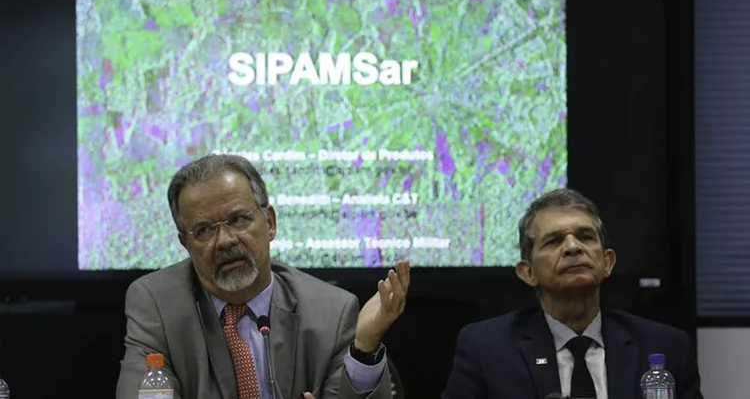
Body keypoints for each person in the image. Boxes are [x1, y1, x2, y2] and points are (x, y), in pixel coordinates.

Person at [115, 154, 410, 399]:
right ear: (185, 243)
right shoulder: (156, 304)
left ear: (269, 223)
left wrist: (364, 348)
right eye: (204, 230)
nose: (226, 241)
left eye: (238, 220)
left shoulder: (331, 311)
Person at [442, 188, 702, 399]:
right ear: (527, 272)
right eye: (553, 241)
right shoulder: (487, 349)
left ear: (607, 262)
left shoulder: (665, 346)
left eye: (585, 237)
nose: (573, 247)